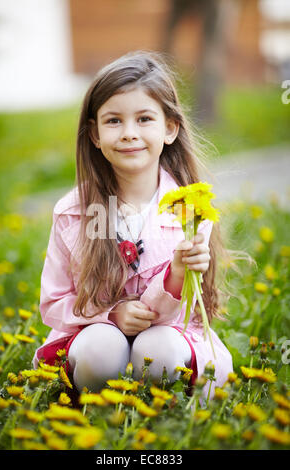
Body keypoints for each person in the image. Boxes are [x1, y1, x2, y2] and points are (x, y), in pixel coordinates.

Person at [33, 50, 233, 398]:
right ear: (94, 134)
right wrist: (111, 315)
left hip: (168, 330)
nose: (129, 133)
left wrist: (179, 272)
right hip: (92, 334)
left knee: (159, 352)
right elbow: (54, 302)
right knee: (103, 347)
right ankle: (98, 414)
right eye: (113, 121)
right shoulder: (74, 213)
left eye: (144, 119)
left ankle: (170, 420)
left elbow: (190, 310)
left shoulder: (191, 209)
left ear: (170, 128)